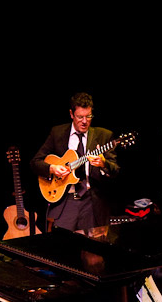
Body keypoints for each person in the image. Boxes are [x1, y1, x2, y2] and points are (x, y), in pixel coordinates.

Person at [31, 92, 119, 231]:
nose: (84, 121)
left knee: (93, 250)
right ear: (71, 114)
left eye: (88, 116)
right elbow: (35, 162)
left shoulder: (104, 135)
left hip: (92, 203)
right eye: (80, 117)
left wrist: (103, 164)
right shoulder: (58, 133)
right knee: (62, 249)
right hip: (66, 201)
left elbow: (115, 170)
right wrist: (53, 168)